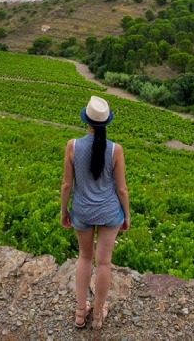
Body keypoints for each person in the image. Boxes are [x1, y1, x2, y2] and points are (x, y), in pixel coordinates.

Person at [60, 95, 130, 330]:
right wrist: (127, 215)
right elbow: (121, 188)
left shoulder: (73, 146)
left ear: (86, 120)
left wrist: (64, 211)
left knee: (84, 257)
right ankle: (98, 315)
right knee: (104, 263)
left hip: (81, 212)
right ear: (106, 122)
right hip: (109, 212)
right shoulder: (115, 150)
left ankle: (81, 313)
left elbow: (66, 185)